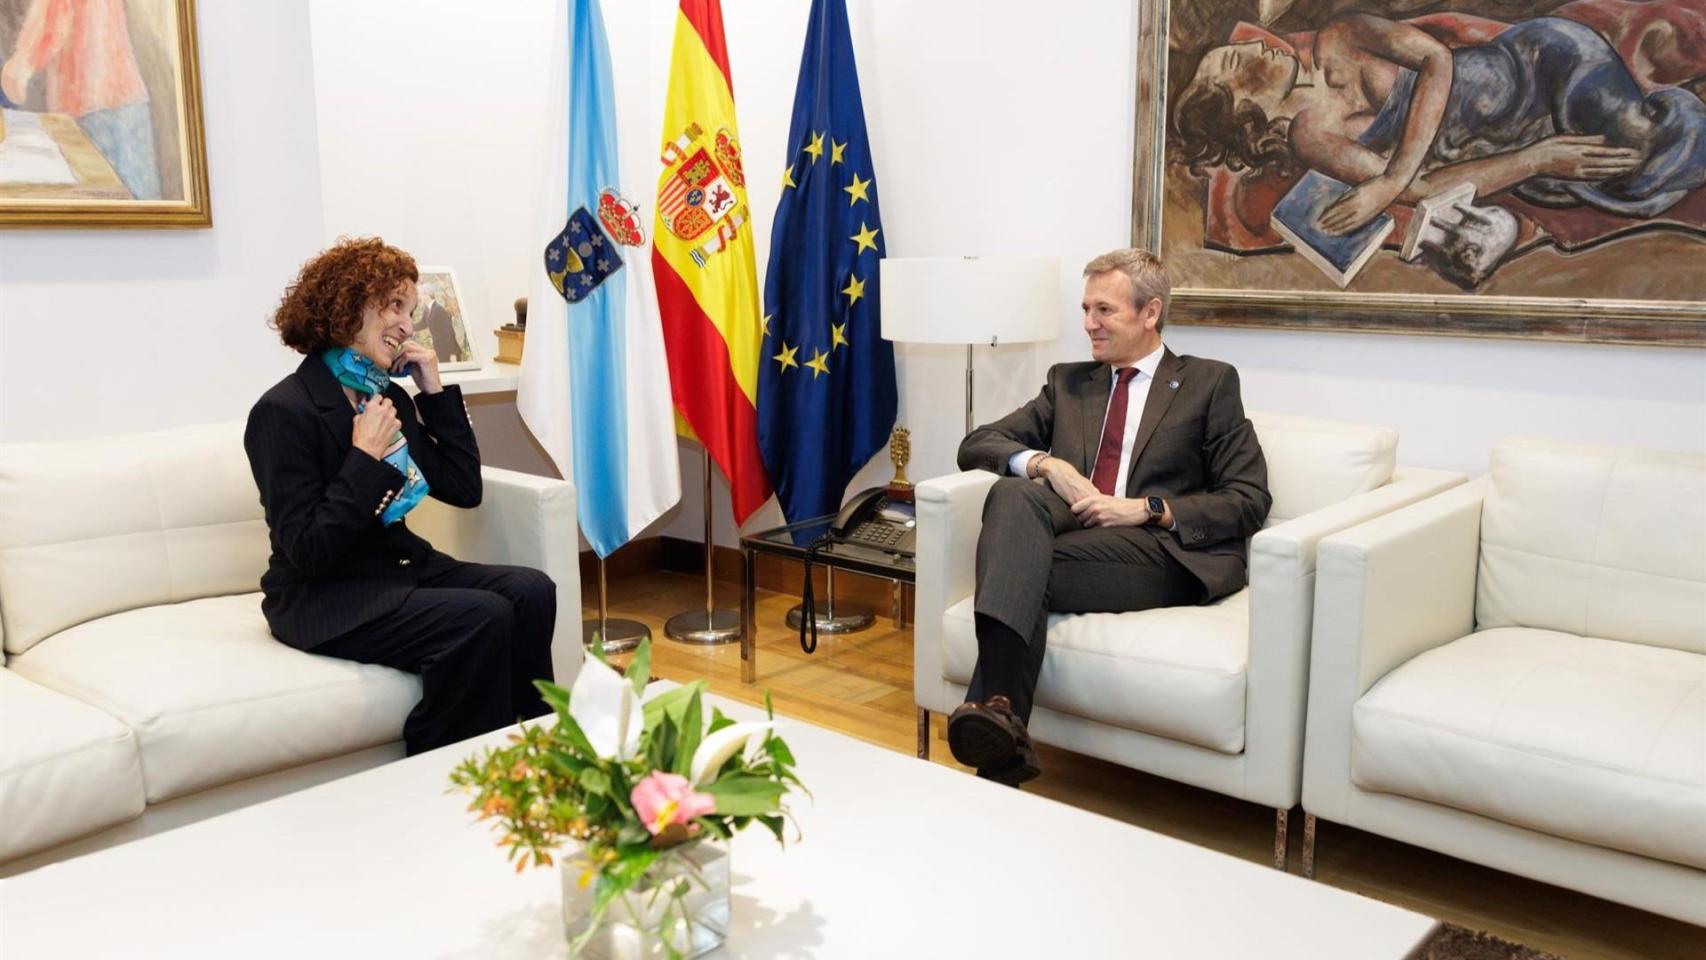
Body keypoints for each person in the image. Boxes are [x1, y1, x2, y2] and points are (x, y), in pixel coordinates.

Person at [949, 248, 1270, 786]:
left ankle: (994, 716)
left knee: (1018, 566)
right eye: (1085, 309)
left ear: (1151, 313)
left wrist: (1146, 509)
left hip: (1159, 552)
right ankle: (1001, 726)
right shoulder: (1070, 383)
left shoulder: (1208, 383)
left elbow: (1248, 498)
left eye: (1104, 310)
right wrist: (1048, 465)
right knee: (1012, 495)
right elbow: (977, 442)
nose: (1088, 325)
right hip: (1077, 536)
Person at [245, 238, 556, 755]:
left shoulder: (385, 397)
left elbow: (463, 488)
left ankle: (531, 749)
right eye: (394, 306)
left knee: (531, 590)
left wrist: (433, 395)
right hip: (322, 595)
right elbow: (308, 551)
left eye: (410, 311)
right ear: (348, 307)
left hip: (397, 568)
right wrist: (363, 460)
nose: (408, 325)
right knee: (483, 615)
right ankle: (444, 769)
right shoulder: (283, 411)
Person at [1173, 13, 1706, 233]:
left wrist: (1386, 182)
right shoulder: (1310, 134)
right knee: (1611, 170)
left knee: (1637, 148)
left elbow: (1438, 61)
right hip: (1517, 142)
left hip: (1543, 67)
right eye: (1239, 62)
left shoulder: (1341, 35)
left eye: (1241, 45)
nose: (1253, 44)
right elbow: (1424, 187)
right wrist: (1537, 159)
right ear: (1246, 114)